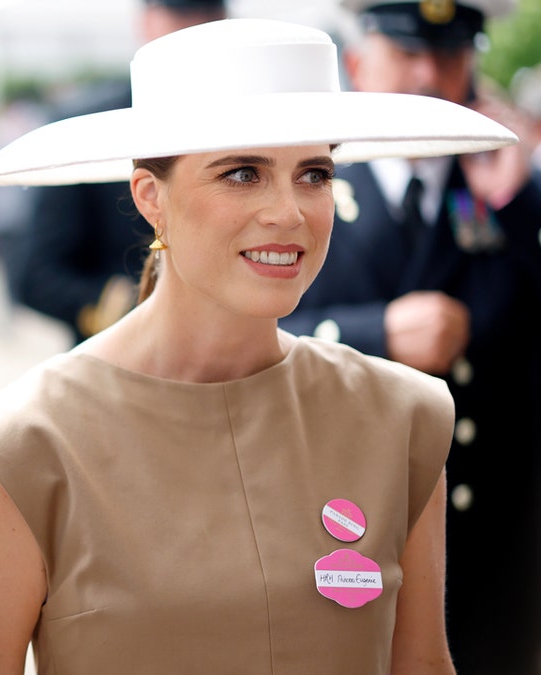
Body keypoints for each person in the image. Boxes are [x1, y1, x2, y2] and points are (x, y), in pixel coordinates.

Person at [0, 18, 516, 673]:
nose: (289, 211)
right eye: (243, 173)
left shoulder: (400, 417)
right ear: (150, 197)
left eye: (314, 173)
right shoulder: (27, 447)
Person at [278, 2, 541, 672]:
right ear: (360, 65)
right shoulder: (308, 182)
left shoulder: (504, 187)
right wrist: (376, 332)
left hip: (488, 539)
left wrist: (518, 200)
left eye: (450, 56)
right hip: (343, 526)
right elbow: (253, 331)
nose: (428, 75)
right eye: (406, 53)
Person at [11, 0, 227, 344]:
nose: (193, 35)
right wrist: (137, 307)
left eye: (208, 21)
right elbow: (36, 275)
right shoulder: (87, 128)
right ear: (146, 23)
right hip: (119, 357)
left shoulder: (243, 121)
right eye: (180, 19)